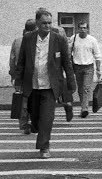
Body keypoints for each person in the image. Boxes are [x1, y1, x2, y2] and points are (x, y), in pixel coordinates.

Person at [13, 9, 76, 159]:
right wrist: (18, 81)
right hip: (32, 84)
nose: (47, 26)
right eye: (44, 23)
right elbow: (21, 61)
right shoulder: (28, 38)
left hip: (50, 86)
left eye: (49, 23)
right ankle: (37, 129)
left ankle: (44, 146)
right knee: (35, 117)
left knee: (47, 117)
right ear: (37, 23)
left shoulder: (59, 39)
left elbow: (66, 62)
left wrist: (71, 83)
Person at [8, 19, 37, 133]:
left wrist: (12, 74)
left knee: (23, 100)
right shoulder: (37, 40)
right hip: (34, 75)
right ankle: (34, 123)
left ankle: (24, 124)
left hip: (20, 76)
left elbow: (12, 59)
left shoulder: (17, 41)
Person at [70, 21, 102, 118]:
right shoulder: (74, 38)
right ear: (78, 29)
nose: (82, 30)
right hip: (77, 66)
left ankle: (84, 109)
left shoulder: (92, 40)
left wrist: (98, 70)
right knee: (80, 89)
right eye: (81, 28)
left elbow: (97, 55)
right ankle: (83, 106)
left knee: (86, 88)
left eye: (84, 28)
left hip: (88, 67)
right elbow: (69, 51)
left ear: (87, 29)